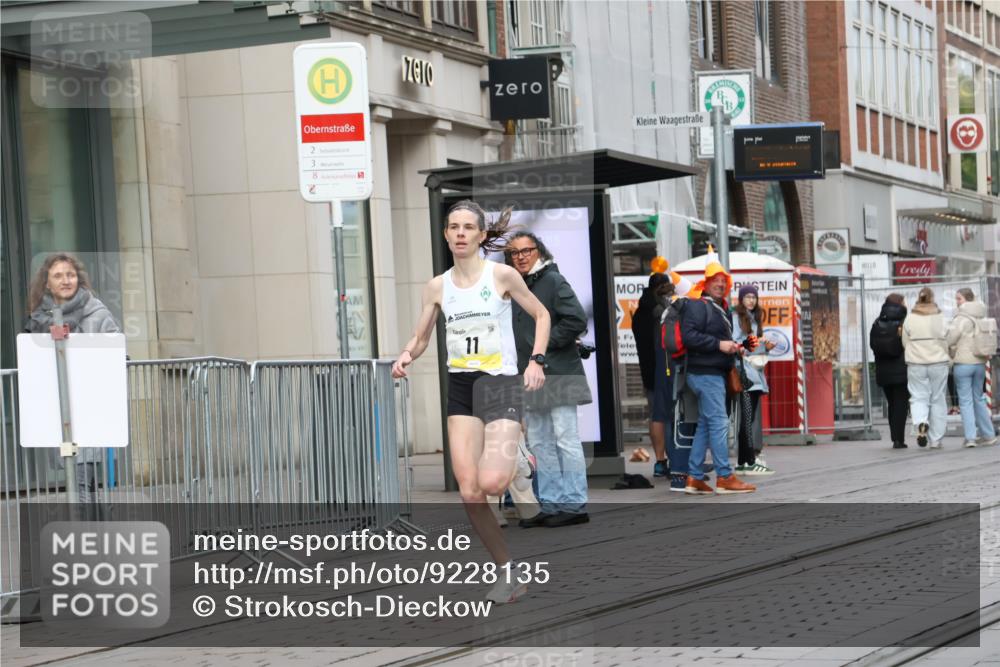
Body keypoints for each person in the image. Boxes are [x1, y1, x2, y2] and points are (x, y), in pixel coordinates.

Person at [392, 200, 551, 604]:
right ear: (446, 235)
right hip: (462, 386)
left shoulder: (502, 275)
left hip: (499, 384)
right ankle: (507, 572)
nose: (460, 233)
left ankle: (519, 454)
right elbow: (423, 335)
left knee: (494, 481)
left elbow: (542, 315)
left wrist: (536, 360)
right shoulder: (436, 286)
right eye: (453, 227)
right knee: (470, 492)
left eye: (468, 227)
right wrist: (408, 353)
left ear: (481, 235)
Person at [506, 232, 592, 528]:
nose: (520, 256)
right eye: (514, 252)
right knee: (540, 442)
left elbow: (576, 320)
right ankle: (553, 504)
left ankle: (575, 503)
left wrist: (540, 347)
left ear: (538, 252)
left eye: (526, 250)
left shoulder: (553, 281)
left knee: (565, 439)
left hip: (558, 372)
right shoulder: (516, 286)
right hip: (532, 375)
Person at [24, 252, 120, 506]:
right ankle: (94, 533)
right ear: (47, 282)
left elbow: (118, 352)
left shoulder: (96, 311)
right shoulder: (38, 318)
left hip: (90, 406)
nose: (66, 280)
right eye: (58, 275)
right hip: (58, 409)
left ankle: (84, 534)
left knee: (81, 476)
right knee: (81, 478)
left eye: (70, 274)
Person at [679, 261, 756, 495]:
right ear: (706, 283)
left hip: (709, 372)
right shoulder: (699, 306)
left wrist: (735, 347)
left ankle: (694, 477)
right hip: (706, 374)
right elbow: (689, 336)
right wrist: (720, 344)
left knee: (705, 424)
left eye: (724, 282)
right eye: (716, 282)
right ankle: (724, 476)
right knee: (720, 423)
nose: (720, 285)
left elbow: (704, 339)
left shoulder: (717, 308)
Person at [630, 272, 672, 478]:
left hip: (647, 370)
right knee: (669, 415)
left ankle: (660, 461)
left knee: (656, 414)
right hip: (664, 369)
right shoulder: (662, 310)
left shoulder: (640, 311)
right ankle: (676, 459)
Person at [731, 284, 775, 474]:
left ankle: (743, 462)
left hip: (754, 373)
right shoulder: (737, 318)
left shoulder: (753, 318)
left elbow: (750, 345)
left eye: (754, 297)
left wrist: (766, 346)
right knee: (747, 419)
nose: (751, 300)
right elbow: (737, 344)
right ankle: (749, 462)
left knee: (748, 418)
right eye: (747, 297)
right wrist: (758, 343)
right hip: (745, 374)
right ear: (741, 299)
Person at [946, 288, 998, 448]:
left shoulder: (961, 319)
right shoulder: (980, 315)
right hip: (980, 364)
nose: (957, 301)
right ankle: (988, 435)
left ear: (966, 300)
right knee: (979, 399)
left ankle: (970, 437)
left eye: (959, 298)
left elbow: (949, 339)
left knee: (966, 401)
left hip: (964, 363)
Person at [901, 287, 949, 449]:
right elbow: (947, 339)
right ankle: (936, 440)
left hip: (916, 363)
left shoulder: (910, 318)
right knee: (938, 399)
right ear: (933, 298)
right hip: (938, 362)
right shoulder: (940, 317)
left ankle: (921, 421)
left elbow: (904, 342)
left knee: (918, 396)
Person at [870, 294, 910, 449]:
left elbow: (872, 345)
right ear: (900, 304)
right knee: (901, 404)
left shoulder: (877, 322)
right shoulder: (904, 322)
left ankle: (895, 437)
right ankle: (898, 439)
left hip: (883, 370)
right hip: (901, 369)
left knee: (892, 403)